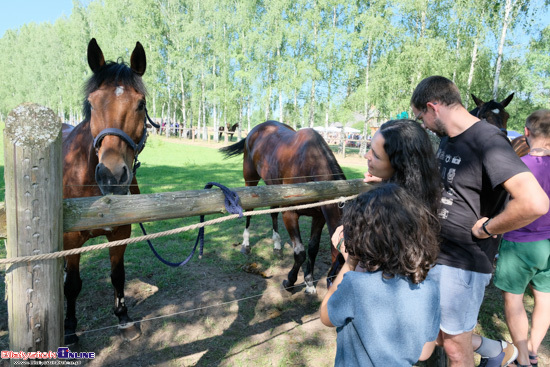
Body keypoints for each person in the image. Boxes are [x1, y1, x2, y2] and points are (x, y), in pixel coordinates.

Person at [410, 75, 549, 367]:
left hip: (463, 263)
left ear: (433, 107)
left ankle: (499, 352)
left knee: (456, 351)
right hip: (435, 253)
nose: (422, 123)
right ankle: (498, 351)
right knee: (428, 336)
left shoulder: (488, 140)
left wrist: (488, 228)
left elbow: (534, 202)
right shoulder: (448, 137)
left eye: (420, 115)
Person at [320, 183, 441, 366]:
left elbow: (326, 316)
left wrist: (351, 261)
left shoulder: (354, 285)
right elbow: (424, 353)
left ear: (362, 238)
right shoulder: (430, 288)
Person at [493, 109, 550, 367]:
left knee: (513, 300)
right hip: (548, 245)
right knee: (545, 299)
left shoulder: (518, 166)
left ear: (526, 132)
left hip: (519, 243)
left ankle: (523, 359)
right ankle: (534, 350)